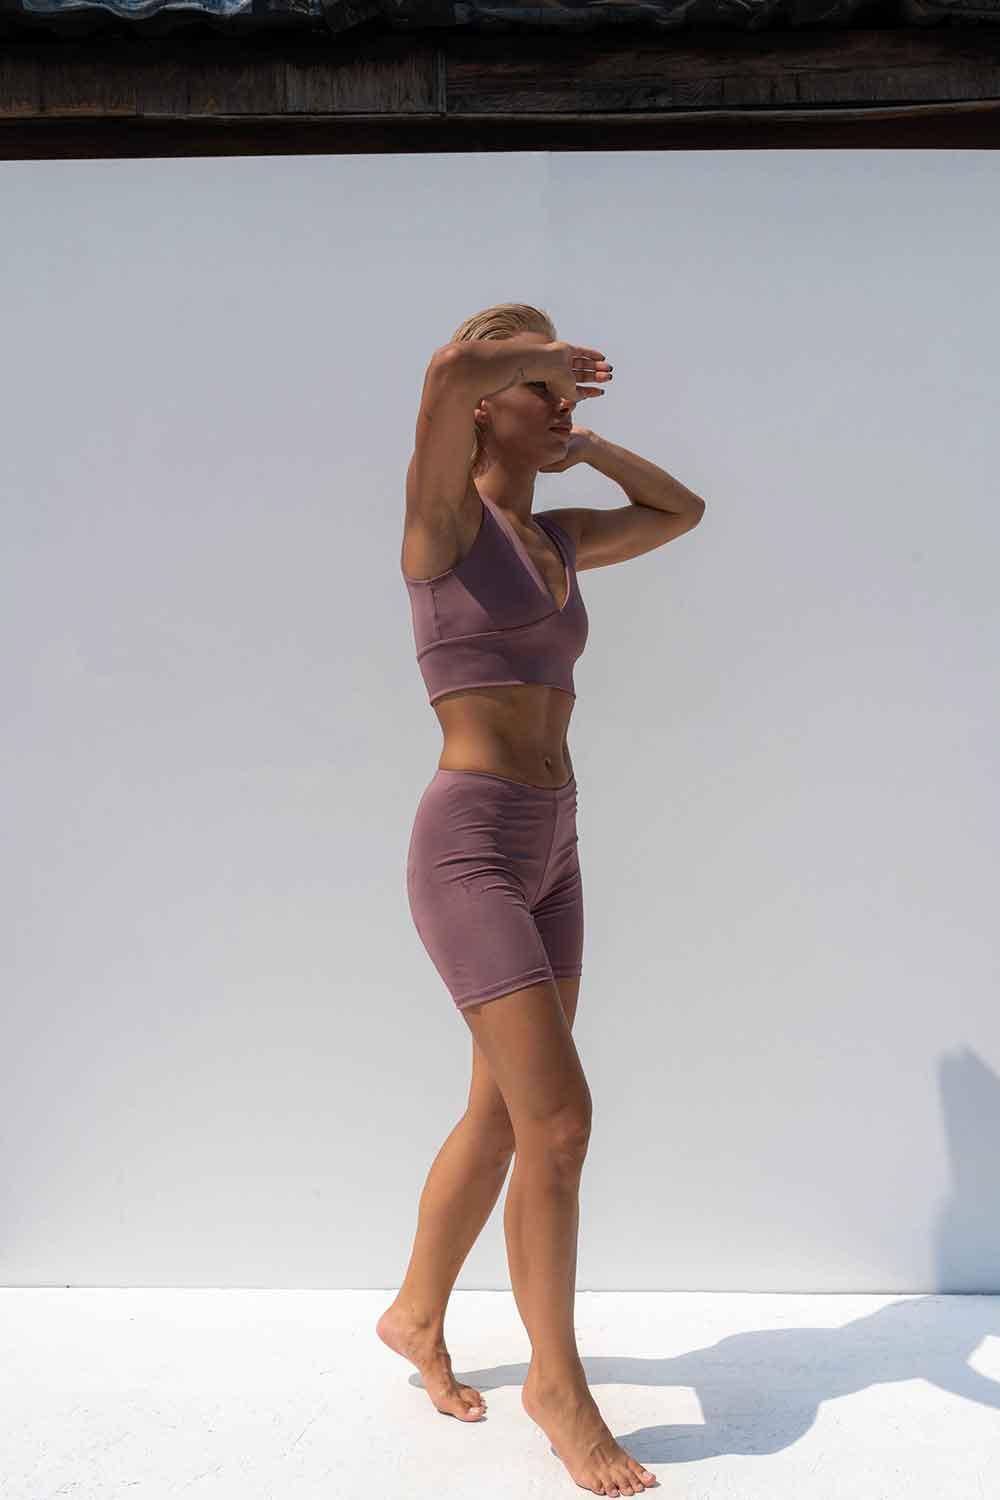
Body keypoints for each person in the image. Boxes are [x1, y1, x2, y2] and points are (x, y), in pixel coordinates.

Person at [377, 302, 705, 1497]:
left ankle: (415, 1313)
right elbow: (443, 368)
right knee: (559, 1122)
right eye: (542, 391)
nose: (561, 404)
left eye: (568, 392)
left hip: (553, 840)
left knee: (506, 1113)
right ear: (487, 406)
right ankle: (556, 1387)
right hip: (468, 845)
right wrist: (536, 356)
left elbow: (680, 513)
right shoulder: (443, 522)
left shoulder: (554, 537)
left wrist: (588, 444)